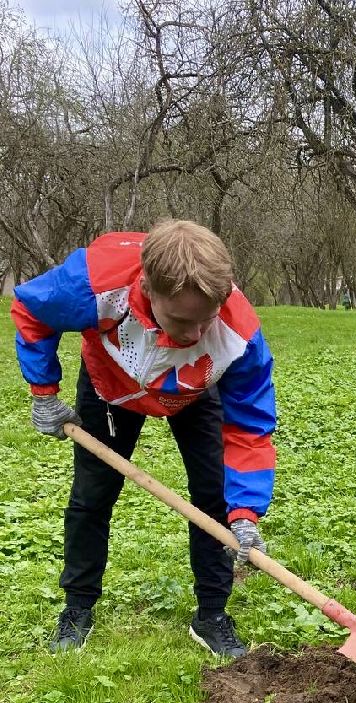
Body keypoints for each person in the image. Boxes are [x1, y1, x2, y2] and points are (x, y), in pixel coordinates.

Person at [12, 220, 277, 657]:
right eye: (181, 319)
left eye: (204, 320)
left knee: (214, 501)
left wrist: (246, 512)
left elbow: (250, 426)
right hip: (111, 388)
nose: (193, 335)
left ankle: (211, 615)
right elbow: (32, 310)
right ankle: (78, 608)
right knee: (91, 497)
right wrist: (44, 393)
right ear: (149, 286)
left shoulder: (238, 334)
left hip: (194, 392)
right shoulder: (95, 280)